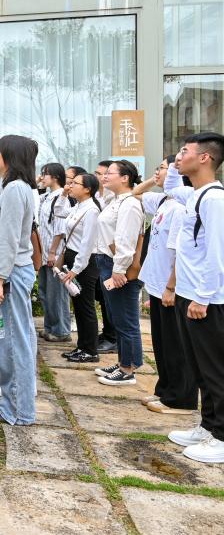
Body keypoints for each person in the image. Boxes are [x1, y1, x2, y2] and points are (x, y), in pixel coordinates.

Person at [164, 132, 224, 463]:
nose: (178, 156)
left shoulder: (214, 200)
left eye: (184, 151)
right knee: (199, 368)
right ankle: (209, 426)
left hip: (206, 300)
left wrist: (202, 297)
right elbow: (171, 186)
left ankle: (222, 436)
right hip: (189, 295)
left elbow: (217, 253)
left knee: (215, 370)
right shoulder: (194, 194)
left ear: (204, 158)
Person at [0, 135, 39, 426]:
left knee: (14, 342)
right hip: (8, 272)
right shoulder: (11, 186)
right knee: (12, 338)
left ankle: (17, 410)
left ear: (10, 156)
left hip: (10, 273)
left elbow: (9, 239)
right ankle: (16, 404)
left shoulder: (15, 190)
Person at [133, 156, 196, 414]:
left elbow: (181, 252)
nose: (158, 173)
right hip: (157, 284)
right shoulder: (163, 201)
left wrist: (171, 287)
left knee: (175, 344)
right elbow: (135, 194)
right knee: (161, 343)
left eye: (162, 168)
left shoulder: (181, 207)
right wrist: (154, 179)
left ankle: (181, 398)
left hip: (171, 287)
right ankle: (165, 389)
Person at [93, 159, 145, 387]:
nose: (104, 176)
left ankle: (128, 369)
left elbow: (126, 240)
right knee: (118, 317)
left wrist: (119, 269)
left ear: (125, 178)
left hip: (117, 265)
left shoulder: (130, 204)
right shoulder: (115, 200)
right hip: (108, 262)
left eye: (110, 173)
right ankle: (123, 362)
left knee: (126, 319)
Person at [58, 173, 103, 363]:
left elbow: (87, 243)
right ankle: (82, 346)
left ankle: (90, 350)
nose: (71, 185)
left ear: (87, 189)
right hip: (73, 258)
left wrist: (76, 269)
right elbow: (59, 211)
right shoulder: (78, 206)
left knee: (85, 306)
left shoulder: (91, 210)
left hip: (83, 262)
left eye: (75, 183)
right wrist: (63, 194)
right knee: (78, 305)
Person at [37, 163, 72, 342]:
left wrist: (52, 253)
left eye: (45, 174)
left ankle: (61, 330)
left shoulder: (61, 197)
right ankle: (50, 326)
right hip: (44, 252)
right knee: (45, 292)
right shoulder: (47, 196)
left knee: (56, 293)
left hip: (54, 252)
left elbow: (59, 229)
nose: (42, 177)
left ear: (55, 177)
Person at [90, 160, 117, 353]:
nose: (100, 177)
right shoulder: (98, 196)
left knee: (112, 300)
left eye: (104, 173)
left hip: (111, 255)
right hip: (98, 253)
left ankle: (113, 337)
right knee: (103, 297)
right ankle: (107, 332)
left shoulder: (113, 197)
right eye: (98, 173)